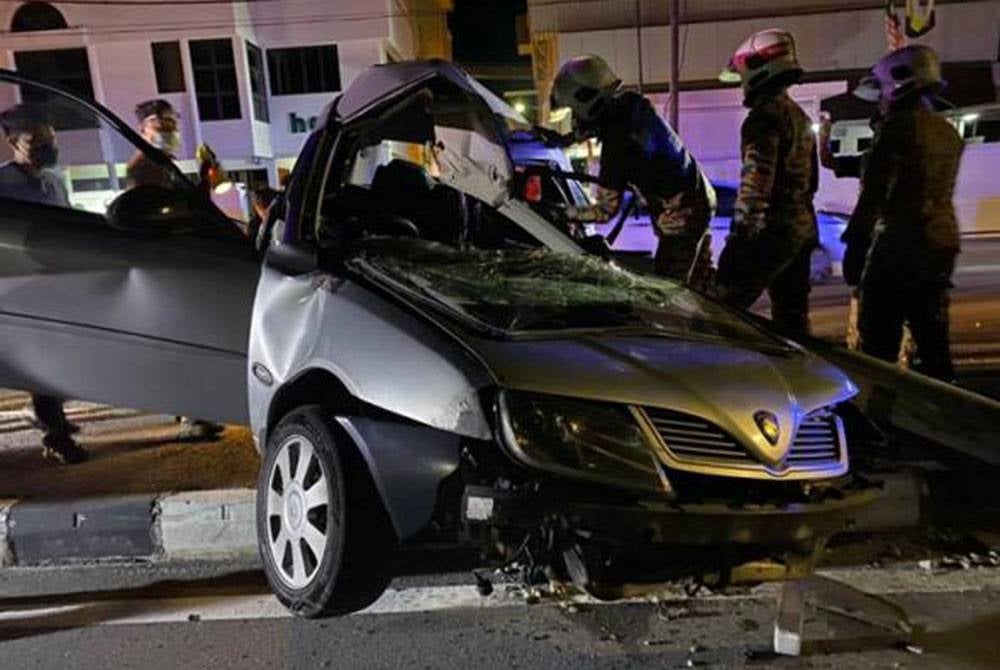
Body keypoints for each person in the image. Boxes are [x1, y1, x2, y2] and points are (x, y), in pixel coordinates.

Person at [842, 45, 963, 381]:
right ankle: (946, 409)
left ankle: (880, 416)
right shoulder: (948, 133)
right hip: (942, 241)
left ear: (896, 85)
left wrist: (855, 245)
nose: (879, 100)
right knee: (932, 335)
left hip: (900, 245)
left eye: (880, 92)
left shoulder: (896, 130)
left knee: (878, 336)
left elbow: (875, 197)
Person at [549, 54, 715, 286]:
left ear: (588, 101)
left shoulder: (618, 145)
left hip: (681, 214)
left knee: (670, 291)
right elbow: (604, 122)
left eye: (574, 112)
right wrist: (565, 140)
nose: (575, 119)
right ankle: (713, 318)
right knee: (701, 283)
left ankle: (689, 321)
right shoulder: (630, 104)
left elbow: (605, 211)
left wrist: (561, 212)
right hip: (698, 195)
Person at [714, 29, 818, 335]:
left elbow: (755, 186)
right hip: (801, 228)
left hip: (772, 232)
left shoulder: (763, 120)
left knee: (722, 309)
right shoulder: (797, 115)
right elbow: (811, 180)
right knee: (792, 317)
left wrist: (738, 239)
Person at [0, 105, 88, 464]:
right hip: (17, 291)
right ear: (11, 142)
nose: (47, 147)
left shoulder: (54, 181)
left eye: (51, 139)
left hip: (55, 288)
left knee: (58, 360)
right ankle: (56, 430)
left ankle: (51, 418)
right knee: (42, 361)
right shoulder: (2, 185)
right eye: (36, 141)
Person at [126, 99, 180, 189]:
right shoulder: (145, 167)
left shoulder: (163, 162)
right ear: (143, 130)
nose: (170, 133)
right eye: (161, 128)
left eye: (173, 127)